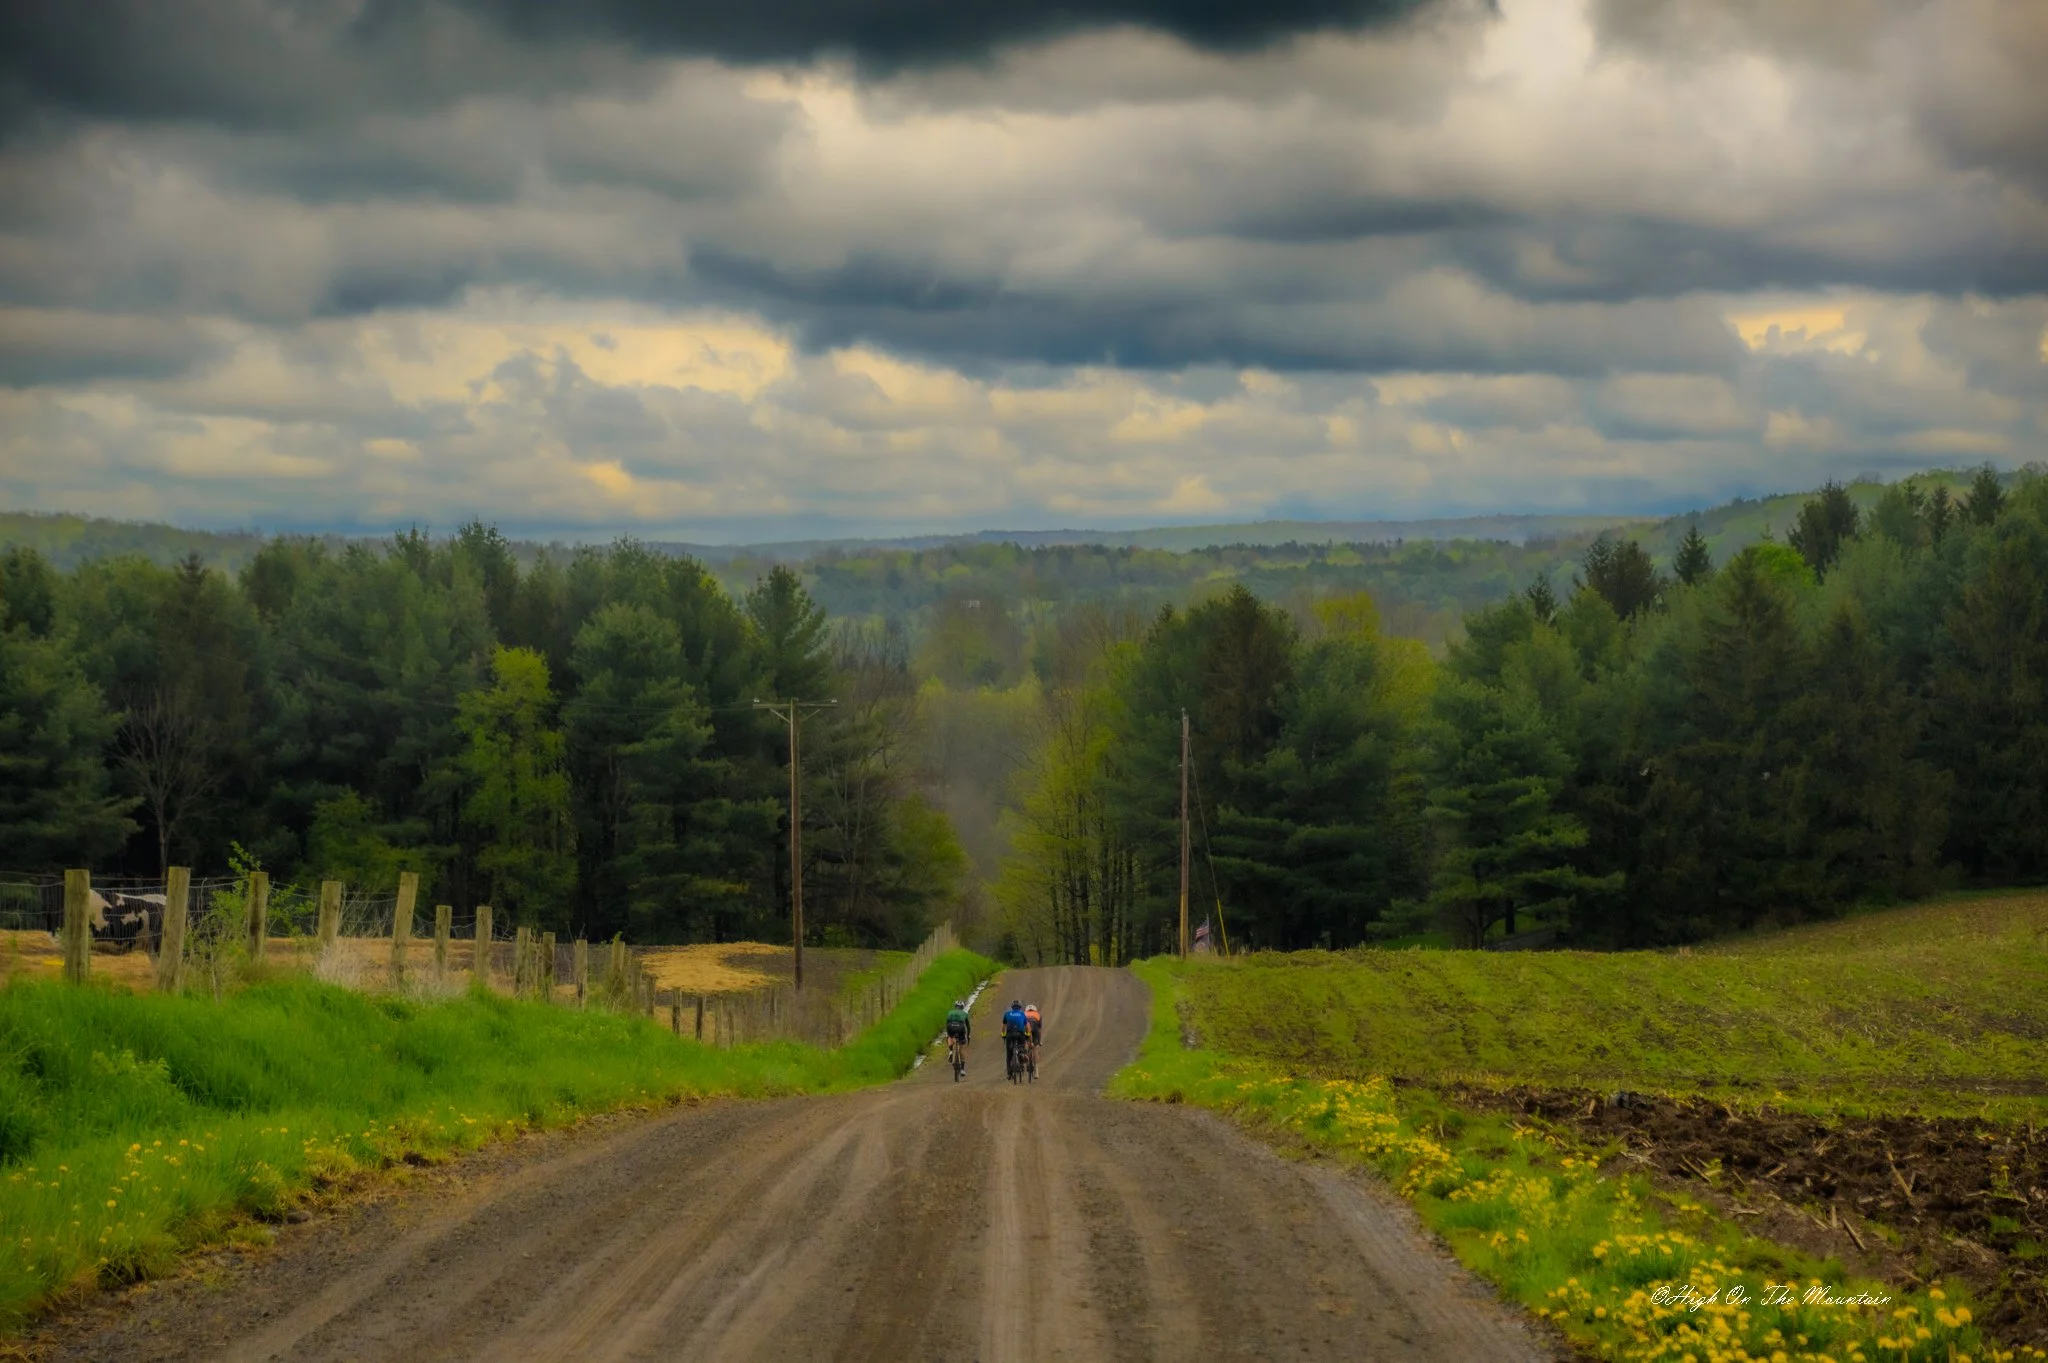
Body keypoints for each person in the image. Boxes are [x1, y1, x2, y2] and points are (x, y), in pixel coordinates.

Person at [1001, 999, 1030, 1075]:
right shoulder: (1022, 1014)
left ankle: (1009, 1073)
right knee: (1022, 1048)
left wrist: (1003, 1035)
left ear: (1012, 1007)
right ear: (1020, 1007)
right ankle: (1022, 1055)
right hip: (1020, 1034)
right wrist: (1027, 1034)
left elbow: (1003, 1027)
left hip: (1010, 1034)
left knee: (1009, 1054)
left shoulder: (1007, 1013)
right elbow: (1026, 1026)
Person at [945, 998, 972, 1075]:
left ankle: (950, 1051)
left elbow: (947, 1024)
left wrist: (948, 1034)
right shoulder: (965, 1013)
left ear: (955, 1006)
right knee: (961, 1049)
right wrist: (968, 1036)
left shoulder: (950, 1012)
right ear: (962, 1007)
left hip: (950, 1027)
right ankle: (962, 1069)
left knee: (950, 1037)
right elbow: (968, 1026)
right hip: (960, 1027)